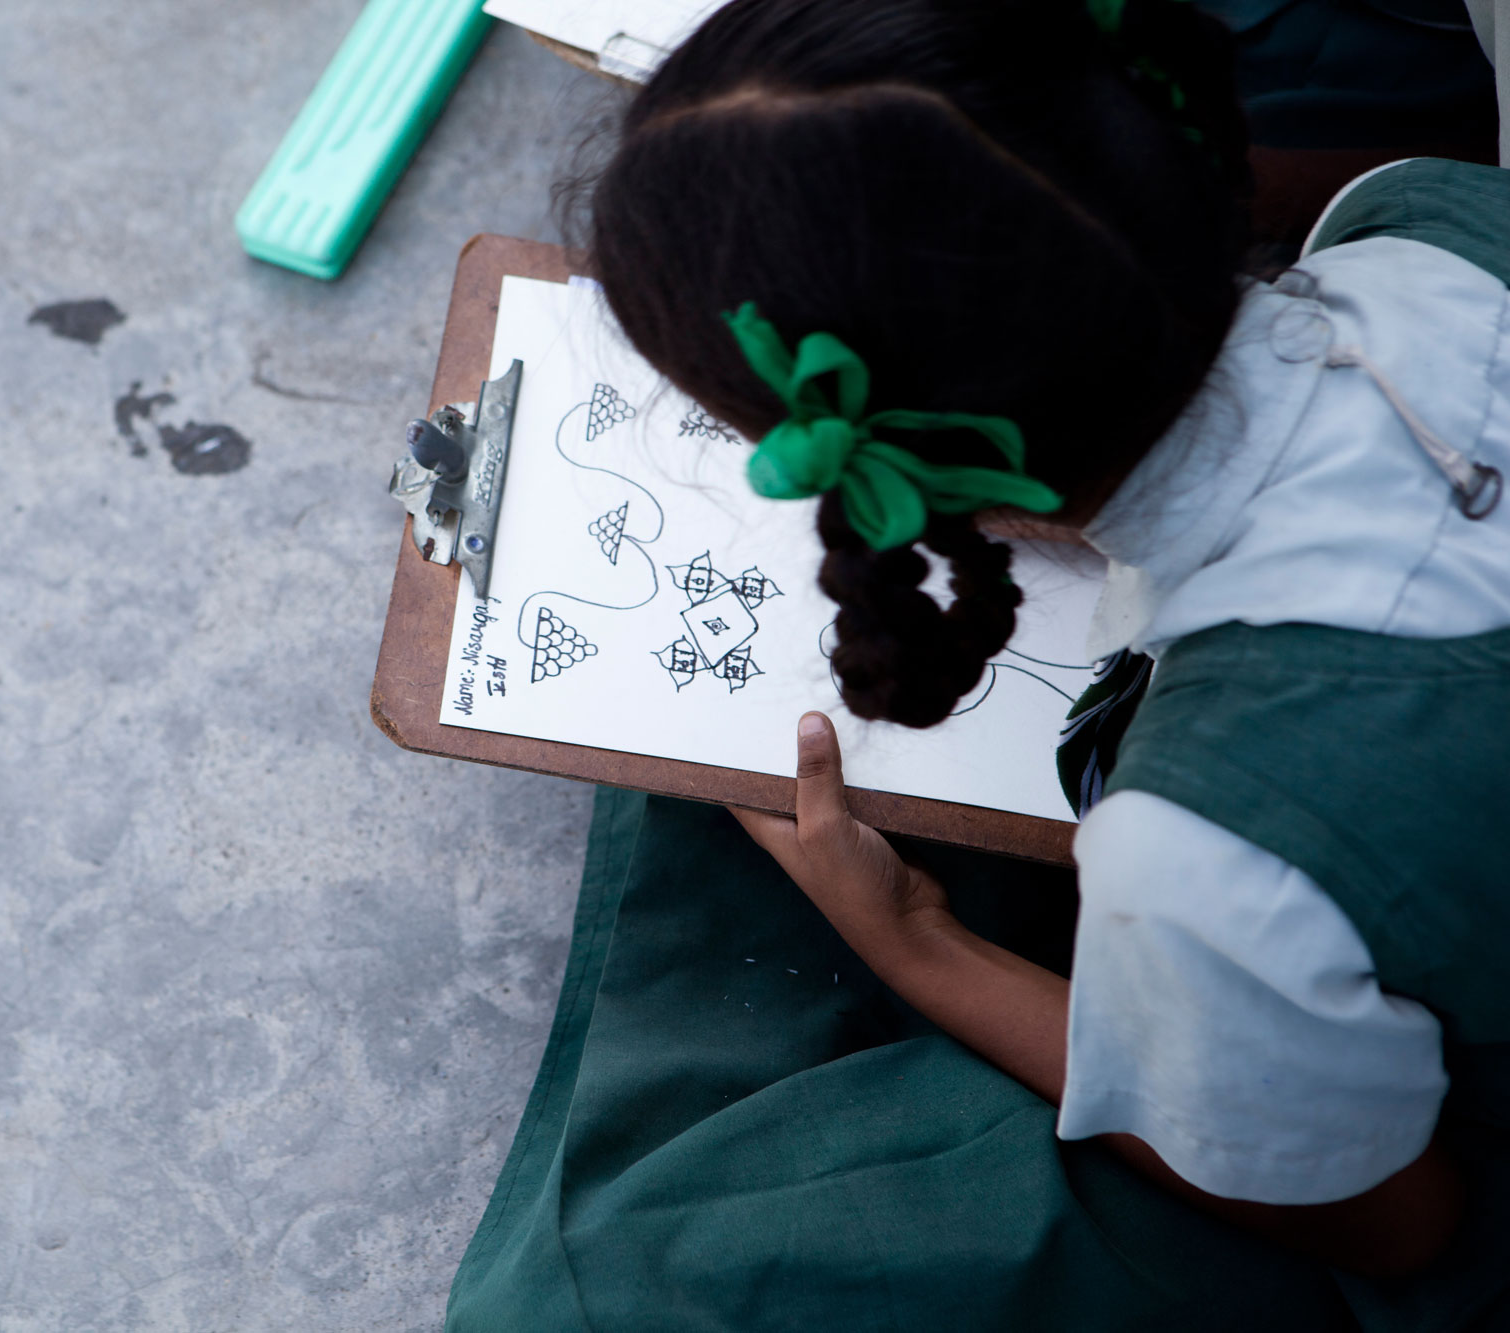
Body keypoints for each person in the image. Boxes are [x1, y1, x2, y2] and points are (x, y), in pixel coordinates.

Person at [444, 0, 1510, 1327]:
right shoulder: (1427, 221)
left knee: (588, 1293)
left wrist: (916, 939)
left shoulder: (1201, 850)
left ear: (887, 474)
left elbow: (1397, 1220)